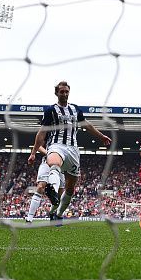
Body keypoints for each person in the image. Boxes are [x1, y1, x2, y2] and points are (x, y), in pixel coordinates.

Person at [28, 81, 112, 224]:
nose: (65, 94)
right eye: (62, 92)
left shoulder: (75, 109)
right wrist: (33, 153)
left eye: (67, 92)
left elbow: (87, 125)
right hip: (56, 145)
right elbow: (41, 133)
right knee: (54, 163)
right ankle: (52, 192)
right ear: (57, 93)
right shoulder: (50, 110)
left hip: (73, 149)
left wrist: (101, 136)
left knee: (71, 187)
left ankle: (59, 213)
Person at [26, 147, 65, 223]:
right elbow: (39, 146)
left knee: (59, 195)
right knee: (40, 187)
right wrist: (51, 155)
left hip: (61, 166)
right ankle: (29, 218)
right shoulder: (48, 135)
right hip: (46, 163)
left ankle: (52, 212)